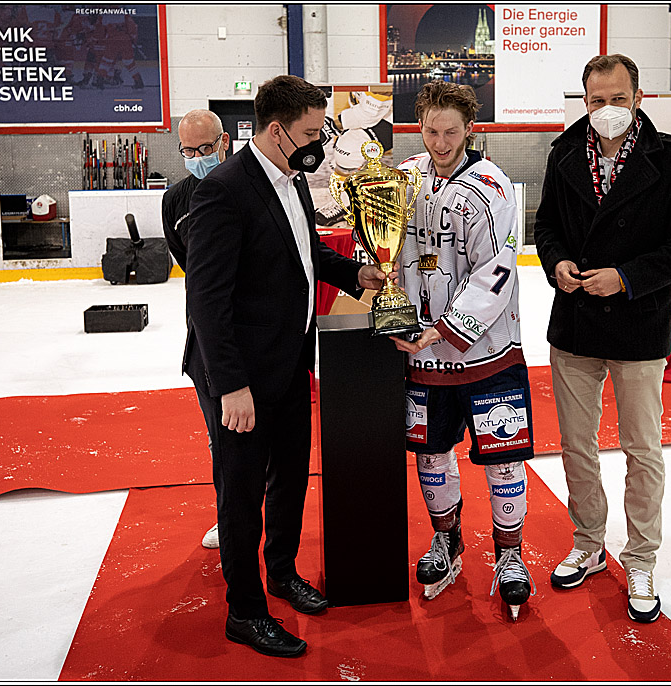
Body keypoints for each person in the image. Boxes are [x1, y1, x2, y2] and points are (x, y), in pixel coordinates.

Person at [183, 75, 389, 657]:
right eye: (307, 132)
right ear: (276, 130)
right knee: (242, 492)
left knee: (291, 477)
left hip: (291, 364)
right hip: (243, 377)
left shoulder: (291, 178)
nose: (315, 141)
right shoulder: (224, 190)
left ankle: (281, 574)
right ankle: (244, 611)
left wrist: (354, 274)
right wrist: (232, 388)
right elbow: (207, 301)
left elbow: (307, 252)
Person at [533, 54, 671, 623]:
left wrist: (627, 277)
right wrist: (556, 262)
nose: (606, 110)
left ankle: (640, 557)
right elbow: (547, 227)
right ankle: (587, 542)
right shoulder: (563, 152)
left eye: (616, 98)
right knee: (577, 445)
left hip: (638, 321)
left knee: (641, 449)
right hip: (576, 322)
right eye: (595, 100)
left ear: (639, 96)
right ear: (583, 100)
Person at [390, 80, 536, 620]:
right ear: (420, 126)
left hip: (486, 355)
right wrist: (401, 320)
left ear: (469, 129)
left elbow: (496, 271)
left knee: (504, 458)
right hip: (423, 356)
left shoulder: (491, 187)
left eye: (451, 131)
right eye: (431, 130)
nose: (440, 140)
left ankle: (510, 556)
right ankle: (447, 542)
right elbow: (388, 252)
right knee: (431, 453)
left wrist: (447, 327)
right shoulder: (402, 179)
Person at [161, 108, 230, 550]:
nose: (198, 157)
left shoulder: (256, 185)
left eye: (205, 149)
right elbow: (193, 270)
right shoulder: (174, 201)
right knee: (221, 438)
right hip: (207, 340)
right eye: (189, 151)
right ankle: (231, 514)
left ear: (224, 142)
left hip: (261, 337)